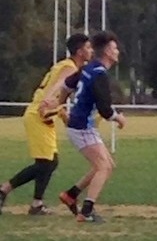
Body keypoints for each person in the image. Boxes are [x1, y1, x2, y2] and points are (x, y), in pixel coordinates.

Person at [0, 34, 92, 216]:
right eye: (88, 48)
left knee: (50, 162)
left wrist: (63, 114)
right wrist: (48, 101)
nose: (91, 51)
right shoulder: (69, 67)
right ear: (80, 51)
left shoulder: (67, 65)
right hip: (39, 114)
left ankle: (36, 204)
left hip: (45, 115)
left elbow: (61, 93)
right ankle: (4, 189)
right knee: (46, 163)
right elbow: (58, 86)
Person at [44, 31, 126, 224]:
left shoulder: (89, 68)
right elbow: (105, 110)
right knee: (103, 167)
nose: (117, 52)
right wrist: (119, 118)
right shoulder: (99, 74)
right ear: (107, 51)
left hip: (81, 125)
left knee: (106, 166)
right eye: (114, 48)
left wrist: (60, 102)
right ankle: (86, 211)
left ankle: (71, 195)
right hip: (81, 127)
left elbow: (67, 84)